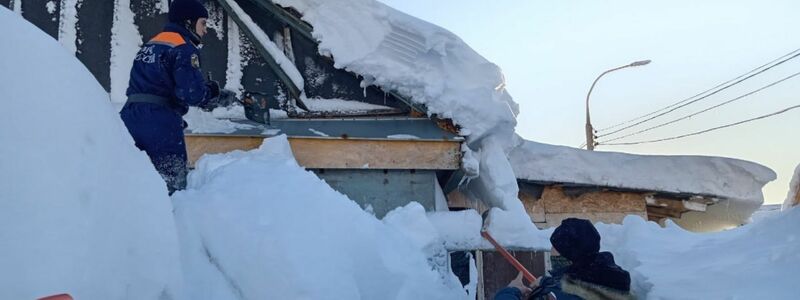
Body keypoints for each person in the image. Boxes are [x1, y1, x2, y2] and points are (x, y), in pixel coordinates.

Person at [120, 0, 236, 194]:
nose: (205, 30)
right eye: (203, 23)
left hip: (129, 117)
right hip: (159, 123)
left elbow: (159, 82)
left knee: (130, 181)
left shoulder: (152, 43)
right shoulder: (184, 48)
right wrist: (214, 94)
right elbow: (191, 94)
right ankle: (170, 220)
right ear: (189, 22)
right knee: (172, 183)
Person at [495, 218, 634, 300]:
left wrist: (511, 291)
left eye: (555, 247)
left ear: (569, 255)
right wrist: (546, 282)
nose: (551, 251)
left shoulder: (556, 296)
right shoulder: (609, 283)